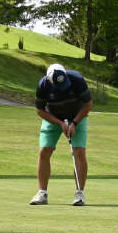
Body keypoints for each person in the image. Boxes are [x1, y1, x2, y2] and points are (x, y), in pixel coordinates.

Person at [31, 62, 93, 206]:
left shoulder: (77, 79)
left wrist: (75, 123)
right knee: (44, 151)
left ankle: (80, 194)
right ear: (49, 80)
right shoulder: (43, 86)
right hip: (53, 117)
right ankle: (42, 193)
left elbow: (88, 104)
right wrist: (60, 123)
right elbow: (39, 110)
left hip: (78, 116)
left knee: (79, 152)